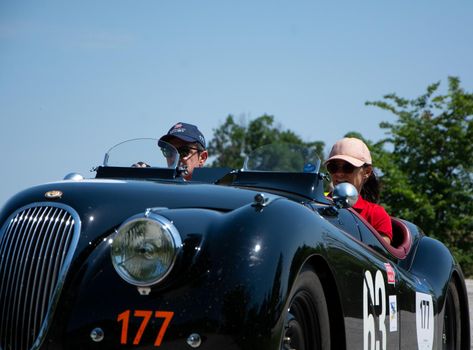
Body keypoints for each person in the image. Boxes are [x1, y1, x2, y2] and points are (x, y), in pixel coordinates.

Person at [325, 137, 393, 244]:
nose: (339, 173)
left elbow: (378, 256)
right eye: (333, 167)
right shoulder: (317, 203)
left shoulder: (376, 214)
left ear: (367, 172)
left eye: (348, 167)